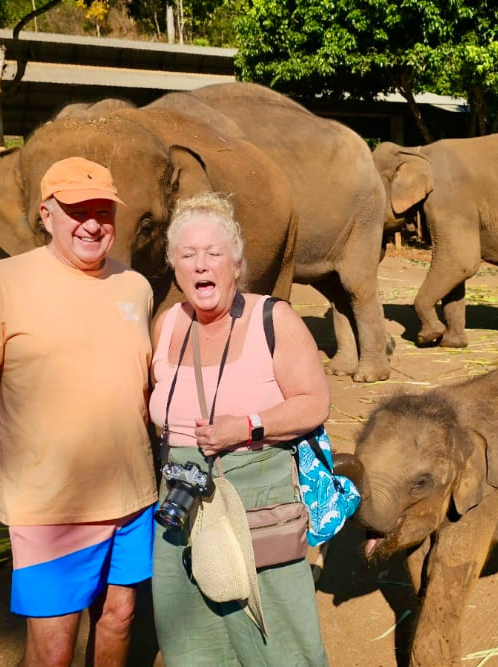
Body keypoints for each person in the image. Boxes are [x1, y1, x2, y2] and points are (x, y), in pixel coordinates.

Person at [0, 157, 157, 666]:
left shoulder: (134, 287)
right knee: (53, 648)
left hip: (132, 497)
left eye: (104, 210)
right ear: (45, 215)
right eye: (77, 210)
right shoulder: (1, 282)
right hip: (51, 507)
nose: (93, 223)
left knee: (120, 617)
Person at [149, 192, 331, 665]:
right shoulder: (167, 325)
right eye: (188, 255)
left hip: (257, 498)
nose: (201, 264)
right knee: (192, 642)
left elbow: (314, 404)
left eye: (213, 253)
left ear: (237, 263)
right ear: (174, 265)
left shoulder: (274, 319)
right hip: (179, 502)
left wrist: (248, 426)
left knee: (278, 641)